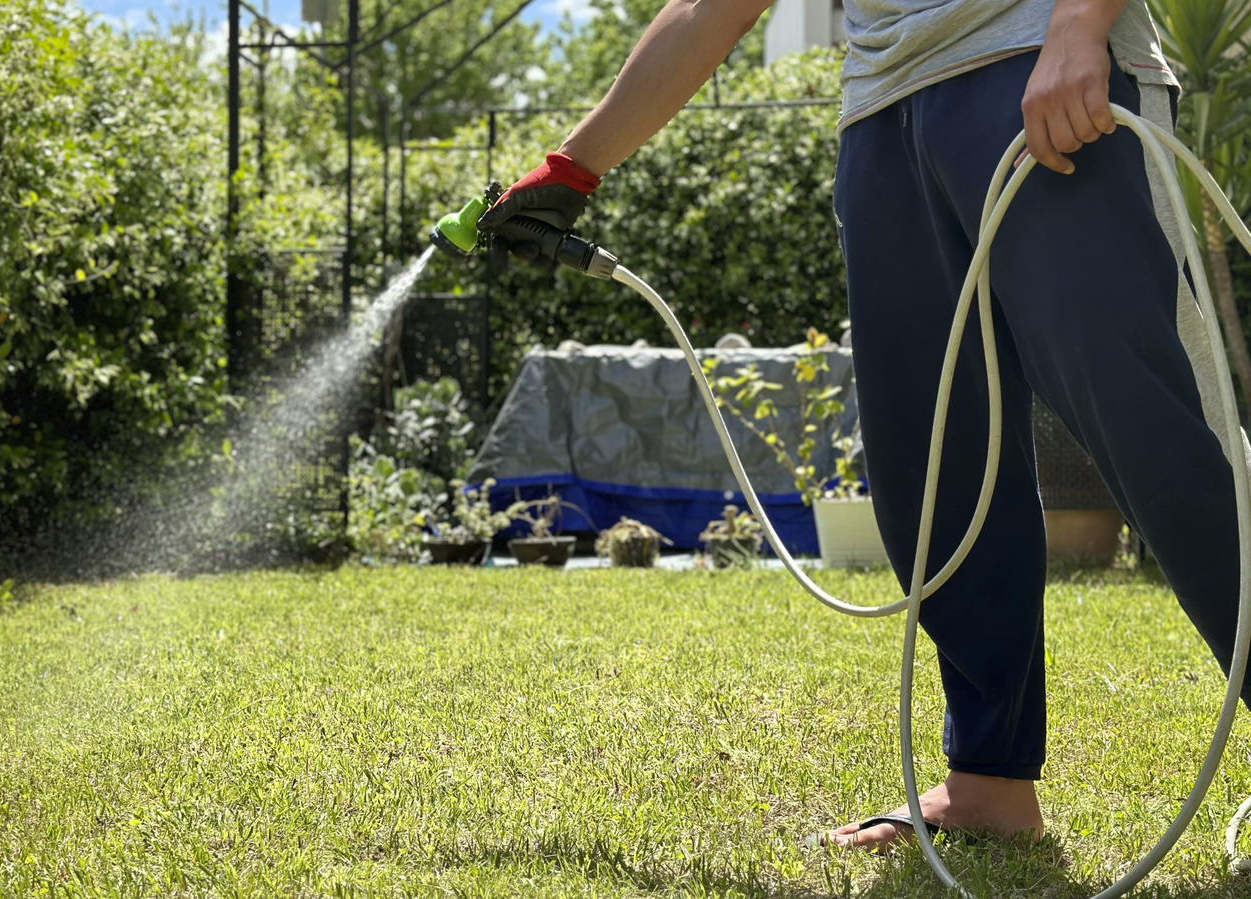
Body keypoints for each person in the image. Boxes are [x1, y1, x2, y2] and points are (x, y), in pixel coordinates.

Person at [480, 0, 1248, 851]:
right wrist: (571, 170)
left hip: (1042, 63)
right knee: (933, 465)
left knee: (1157, 433)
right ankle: (987, 779)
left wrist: (1080, 22)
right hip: (885, 108)